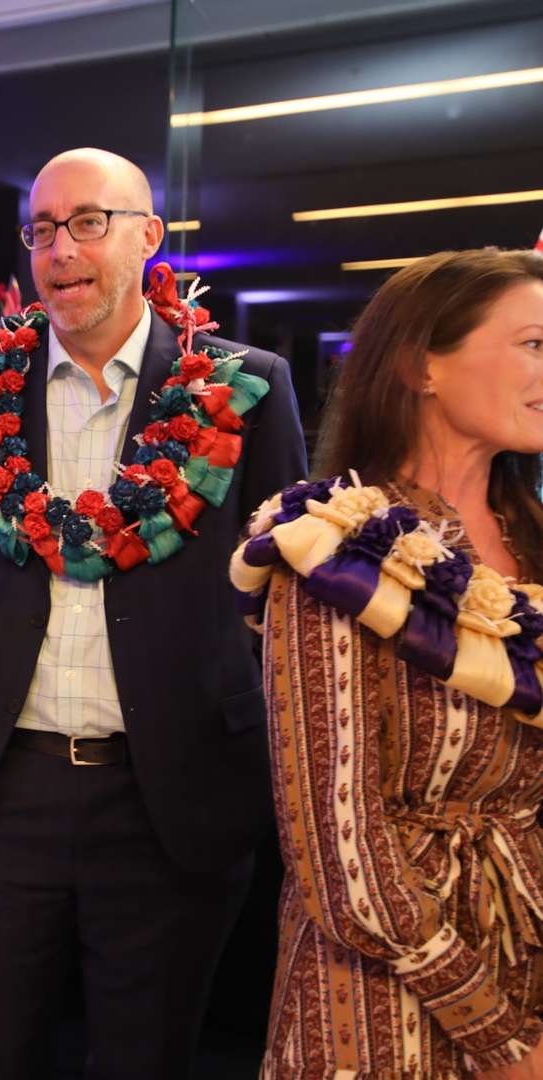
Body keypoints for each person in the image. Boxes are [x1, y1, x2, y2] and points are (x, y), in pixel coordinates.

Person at [0, 148, 308, 1078]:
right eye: (42, 229)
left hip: (170, 806)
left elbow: (282, 601)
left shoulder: (243, 387)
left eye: (88, 222)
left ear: (148, 235)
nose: (60, 250)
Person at [232, 248, 543, 1079]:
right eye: (533, 345)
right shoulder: (335, 550)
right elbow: (339, 859)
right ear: (421, 366)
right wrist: (499, 1034)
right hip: (383, 1001)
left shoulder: (531, 538)